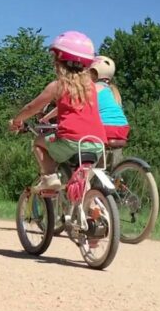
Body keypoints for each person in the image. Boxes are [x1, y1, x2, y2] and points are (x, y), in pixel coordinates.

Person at [9, 31, 107, 191]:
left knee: (39, 142)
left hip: (71, 143)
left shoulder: (58, 85)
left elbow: (32, 108)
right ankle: (91, 205)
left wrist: (16, 120)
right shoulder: (91, 87)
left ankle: (49, 177)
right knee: (81, 180)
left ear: (59, 61)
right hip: (97, 144)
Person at [90, 55, 130, 144]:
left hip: (105, 128)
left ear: (94, 73)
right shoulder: (114, 91)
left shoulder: (94, 88)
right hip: (123, 129)